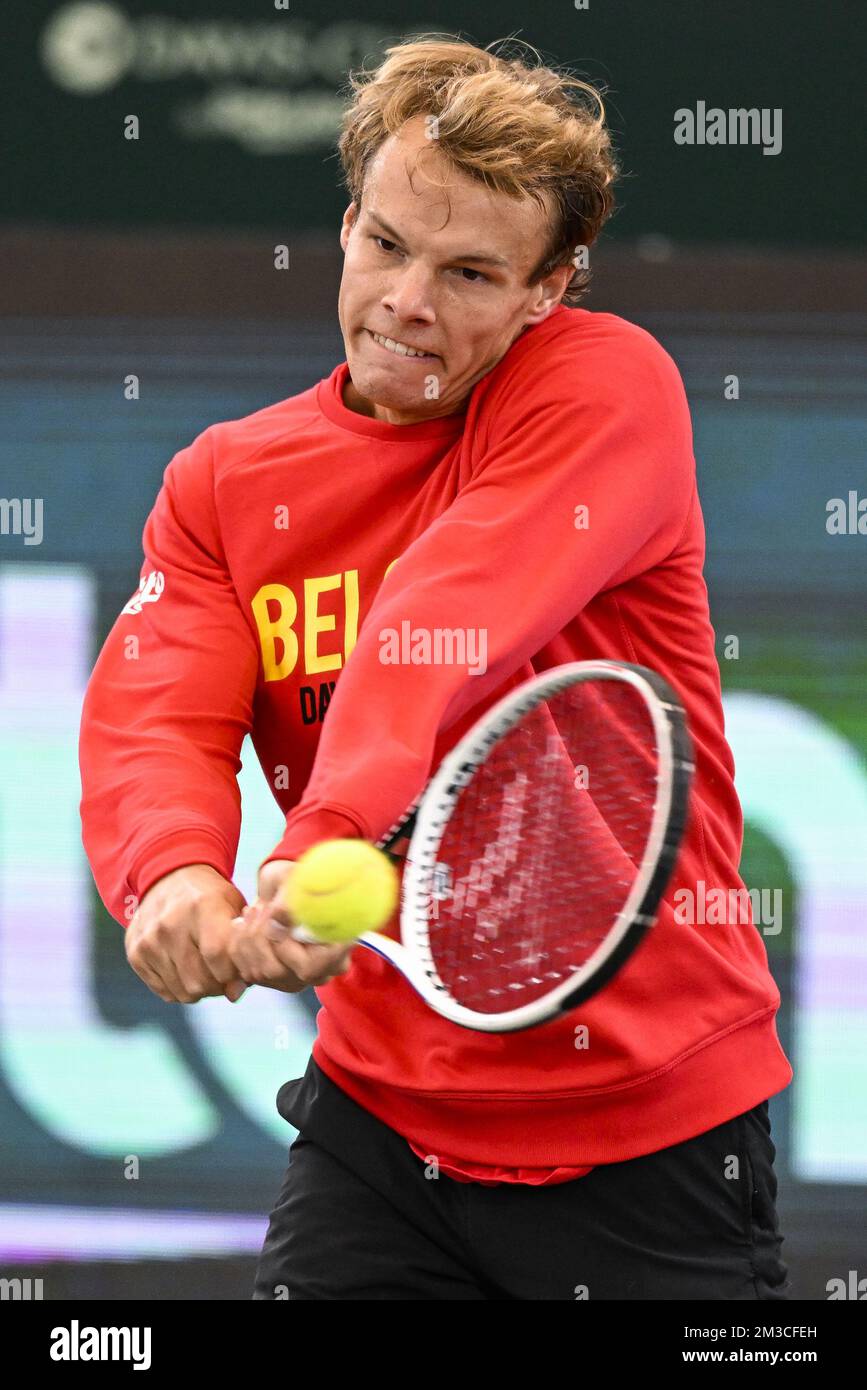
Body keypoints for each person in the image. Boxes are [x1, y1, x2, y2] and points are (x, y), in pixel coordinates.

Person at [79, 37, 792, 1300]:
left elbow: (440, 616)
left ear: (548, 289)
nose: (410, 302)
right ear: (346, 223)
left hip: (654, 1138)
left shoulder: (606, 387)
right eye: (388, 245)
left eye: (471, 273)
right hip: (377, 1134)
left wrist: (323, 830)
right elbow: (155, 717)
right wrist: (170, 875)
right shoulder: (223, 484)